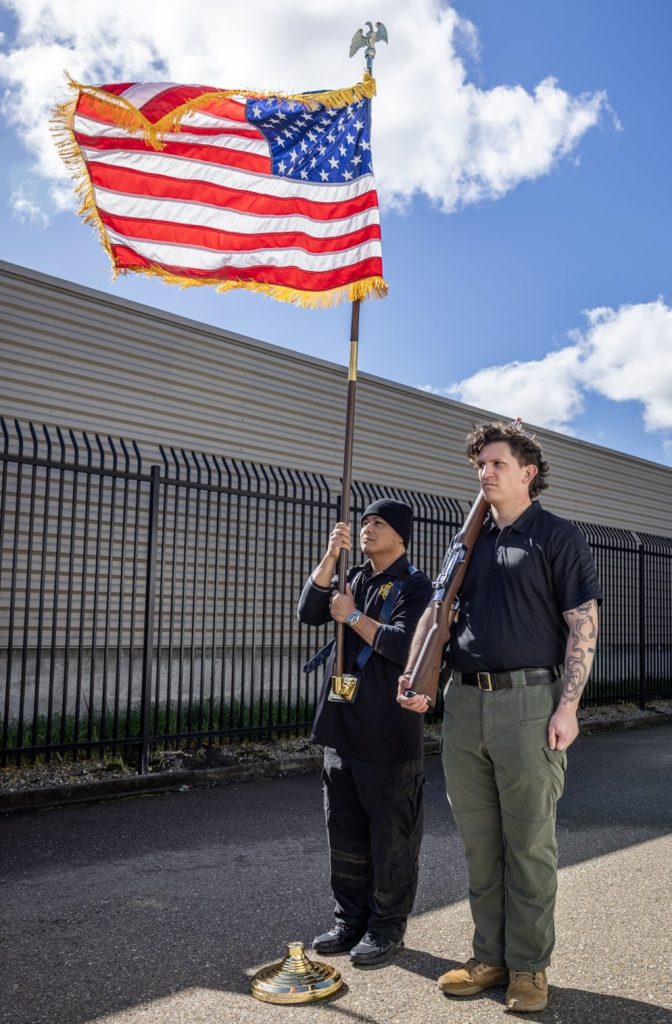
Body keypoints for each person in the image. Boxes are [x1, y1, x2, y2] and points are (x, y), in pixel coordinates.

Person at [399, 421, 602, 1012]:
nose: (484, 473)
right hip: (464, 704)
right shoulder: (468, 544)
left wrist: (569, 706)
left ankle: (529, 969)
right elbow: (438, 613)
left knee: (530, 846)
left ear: (527, 472)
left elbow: (582, 627)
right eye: (478, 465)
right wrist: (418, 678)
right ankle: (489, 957)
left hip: (529, 704)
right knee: (480, 845)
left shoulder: (557, 536)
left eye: (495, 463)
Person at [298, 498, 433, 966]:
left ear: (401, 535)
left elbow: (404, 646)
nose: (366, 529)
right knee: (345, 831)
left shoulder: (418, 587)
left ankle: (386, 927)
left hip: (388, 733)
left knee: (391, 838)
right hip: (342, 727)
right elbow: (309, 611)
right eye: (364, 523)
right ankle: (349, 919)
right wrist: (330, 558)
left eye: (378, 524)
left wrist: (352, 617)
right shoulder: (351, 577)